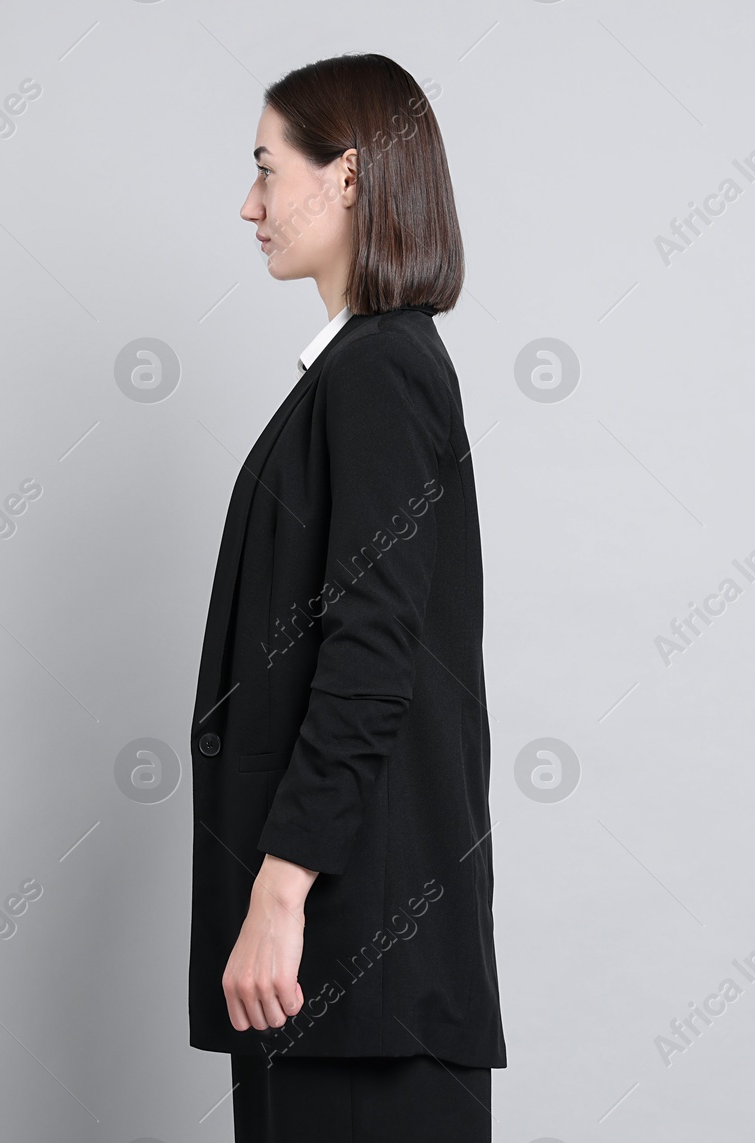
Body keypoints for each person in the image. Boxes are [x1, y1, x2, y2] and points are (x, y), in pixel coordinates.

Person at [188, 52, 505, 1142]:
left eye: (268, 170)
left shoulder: (378, 372)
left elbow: (370, 656)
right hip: (341, 979)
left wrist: (277, 899)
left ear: (352, 178)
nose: (249, 204)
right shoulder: (359, 372)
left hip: (357, 970)